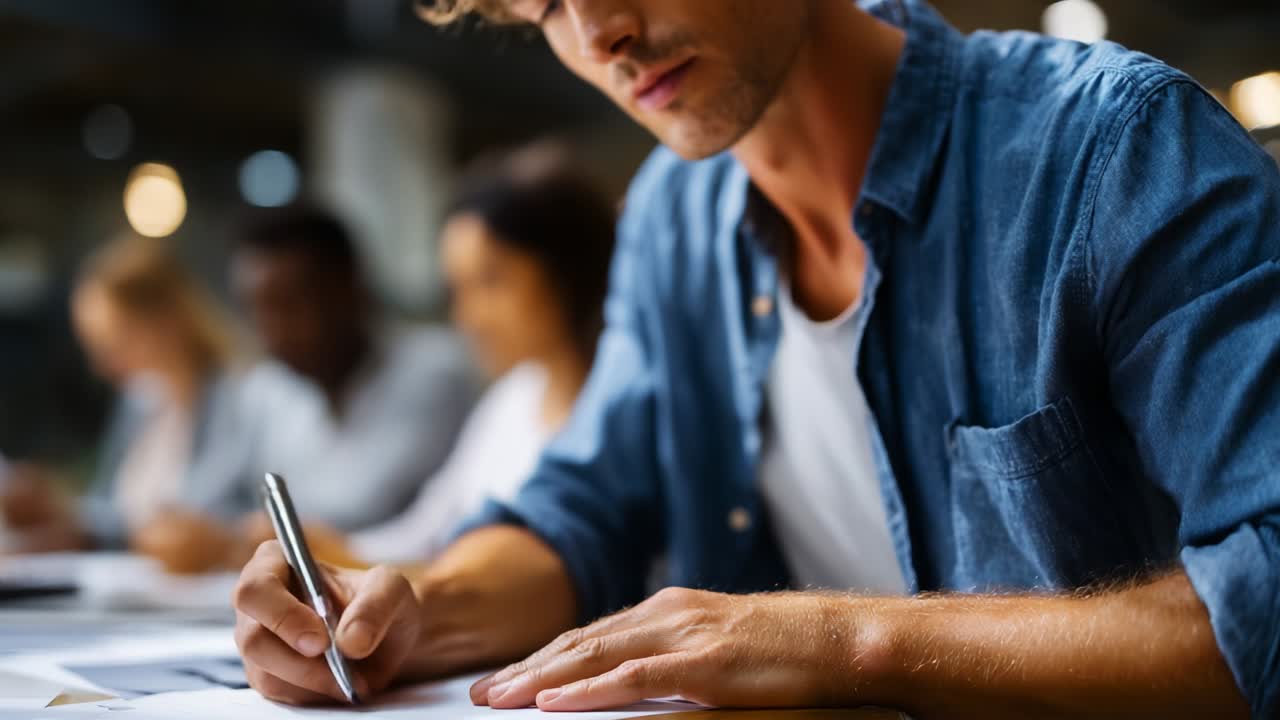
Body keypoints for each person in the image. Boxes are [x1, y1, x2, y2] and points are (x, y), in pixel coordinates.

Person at [232, 1, 1280, 717]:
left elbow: (1266, 599)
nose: (603, 33)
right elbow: (579, 514)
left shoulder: (1111, 152)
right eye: (543, 6)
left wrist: (839, 644)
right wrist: (402, 611)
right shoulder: (669, 223)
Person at [343, 145, 617, 565]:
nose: (468, 317)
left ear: (568, 270)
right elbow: (426, 532)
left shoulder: (624, 409)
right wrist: (322, 551)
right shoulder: (513, 398)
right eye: (458, 289)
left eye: (491, 281)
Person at [0, 236, 251, 569]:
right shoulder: (141, 404)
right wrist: (59, 508)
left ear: (164, 321)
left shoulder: (241, 400)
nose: (102, 365)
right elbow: (113, 509)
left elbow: (207, 520)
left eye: (114, 343)